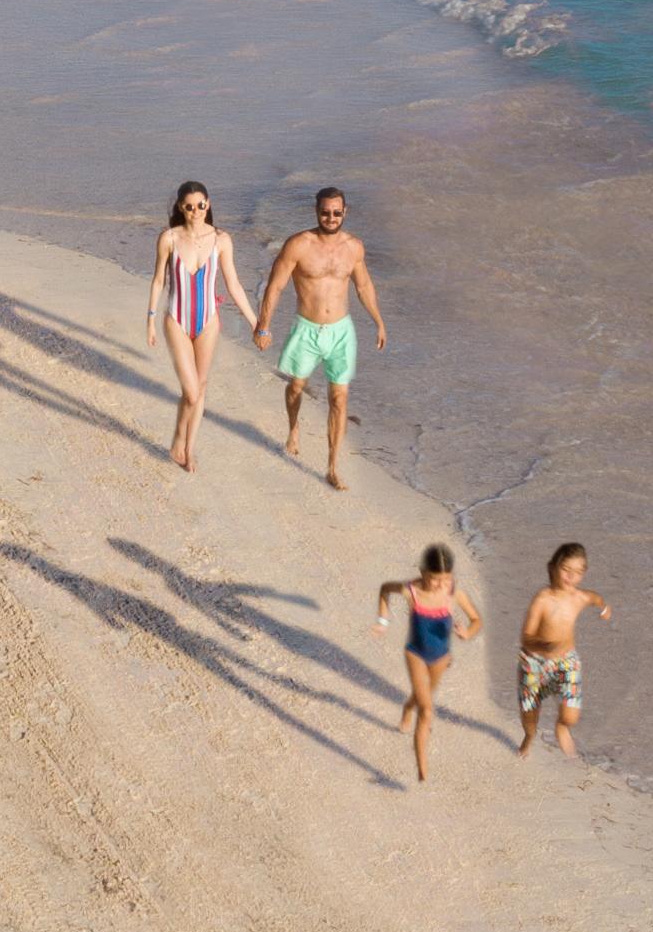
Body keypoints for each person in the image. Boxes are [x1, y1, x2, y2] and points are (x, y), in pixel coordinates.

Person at [255, 186, 389, 486]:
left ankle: (332, 466)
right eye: (325, 212)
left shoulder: (354, 247)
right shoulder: (298, 245)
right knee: (295, 388)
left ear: (345, 212)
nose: (331, 217)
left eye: (337, 212)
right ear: (316, 211)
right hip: (306, 329)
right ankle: (293, 428)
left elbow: (364, 286)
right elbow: (275, 287)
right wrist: (263, 325)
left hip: (341, 332)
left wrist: (379, 321)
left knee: (339, 399)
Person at [146, 181, 243, 473]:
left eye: (201, 205)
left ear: (208, 204)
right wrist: (149, 320)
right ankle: (178, 437)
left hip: (208, 321)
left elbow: (234, 284)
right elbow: (159, 281)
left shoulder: (221, 240)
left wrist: (256, 322)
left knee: (200, 388)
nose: (196, 211)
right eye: (189, 206)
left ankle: (188, 448)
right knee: (190, 391)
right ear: (180, 208)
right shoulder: (169, 239)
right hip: (176, 319)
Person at [376, 542, 470, 780]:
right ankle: (422, 771)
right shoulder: (411, 591)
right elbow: (384, 589)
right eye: (434, 579)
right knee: (427, 712)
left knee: (421, 698)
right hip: (416, 654)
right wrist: (383, 620)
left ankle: (408, 706)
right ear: (422, 573)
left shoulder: (453, 593)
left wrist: (467, 632)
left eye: (445, 579)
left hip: (441, 658)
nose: (440, 585)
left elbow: (476, 619)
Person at [515, 544, 612, 758]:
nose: (571, 576)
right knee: (530, 718)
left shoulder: (580, 598)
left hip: (566, 661)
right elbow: (526, 637)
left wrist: (604, 608)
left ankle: (561, 726)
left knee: (571, 717)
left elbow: (594, 598)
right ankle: (529, 737)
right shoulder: (543, 599)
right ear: (554, 567)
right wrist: (543, 646)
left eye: (578, 572)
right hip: (534, 663)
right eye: (566, 569)